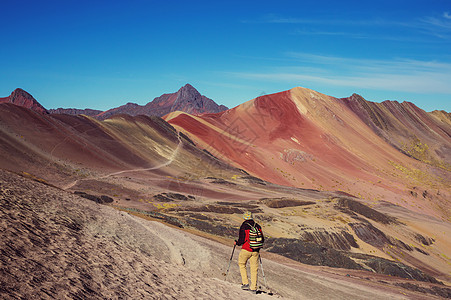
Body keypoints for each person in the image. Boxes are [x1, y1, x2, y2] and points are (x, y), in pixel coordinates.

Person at [234, 211, 264, 294]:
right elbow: (262, 239)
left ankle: (245, 283)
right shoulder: (257, 226)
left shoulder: (244, 226)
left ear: (244, 217)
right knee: (254, 269)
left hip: (246, 249)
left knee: (242, 264)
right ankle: (253, 288)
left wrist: (236, 243)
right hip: (256, 251)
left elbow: (242, 240)